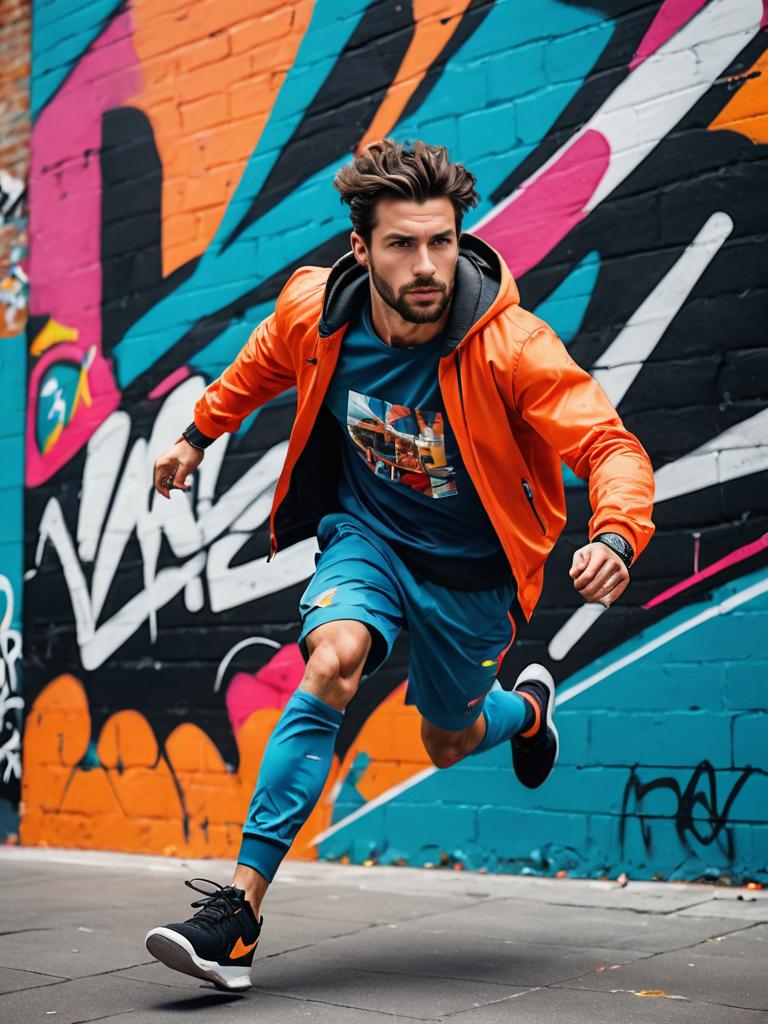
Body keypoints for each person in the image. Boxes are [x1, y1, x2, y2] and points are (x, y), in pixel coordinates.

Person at [145, 139, 655, 990]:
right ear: (360, 248)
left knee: (447, 741)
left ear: (460, 238)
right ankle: (235, 915)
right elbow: (259, 362)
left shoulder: (511, 347)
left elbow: (608, 443)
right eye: (401, 244)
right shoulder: (317, 311)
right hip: (368, 540)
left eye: (442, 242)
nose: (427, 266)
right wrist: (197, 434)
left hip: (471, 578)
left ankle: (526, 711)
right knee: (333, 659)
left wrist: (613, 534)